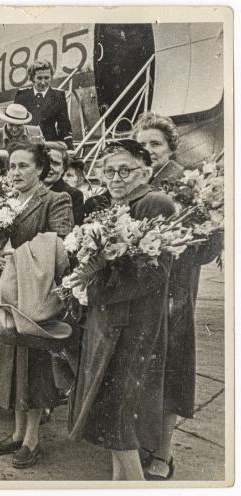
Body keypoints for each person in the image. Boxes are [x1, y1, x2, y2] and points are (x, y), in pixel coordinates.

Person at [69, 139, 176, 480]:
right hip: (107, 322)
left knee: (117, 414)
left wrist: (95, 289)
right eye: (109, 171)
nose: (115, 178)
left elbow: (157, 272)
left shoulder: (154, 202)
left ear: (144, 172)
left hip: (133, 326)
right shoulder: (111, 207)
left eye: (125, 170)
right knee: (109, 415)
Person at [134, 114, 224, 480]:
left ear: (172, 146)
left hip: (175, 293)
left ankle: (164, 453)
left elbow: (210, 245)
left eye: (156, 144)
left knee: (170, 372)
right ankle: (143, 441)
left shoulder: (188, 184)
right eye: (143, 146)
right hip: (141, 293)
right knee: (141, 370)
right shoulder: (138, 181)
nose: (149, 151)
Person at [0, 143, 73, 469]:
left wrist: (15, 257)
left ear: (41, 169)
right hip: (4, 296)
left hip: (33, 298)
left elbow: (61, 245)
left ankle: (31, 439)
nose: (14, 172)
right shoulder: (3, 202)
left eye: (22, 166)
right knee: (11, 367)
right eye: (11, 166)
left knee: (32, 368)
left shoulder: (55, 200)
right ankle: (17, 433)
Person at [14, 59, 74, 150]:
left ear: (51, 77)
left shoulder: (58, 96)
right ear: (32, 78)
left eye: (46, 78)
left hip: (49, 146)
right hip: (26, 146)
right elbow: (15, 122)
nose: (43, 82)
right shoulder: (22, 95)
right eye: (39, 78)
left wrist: (69, 149)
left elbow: (64, 125)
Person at [133, 111, 185, 187]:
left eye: (155, 144)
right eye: (141, 145)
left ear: (171, 148)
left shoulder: (183, 181)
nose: (147, 151)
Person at [44, 141, 85, 225]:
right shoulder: (28, 190)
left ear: (63, 168)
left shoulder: (74, 194)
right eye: (46, 162)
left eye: (55, 163)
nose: (49, 167)